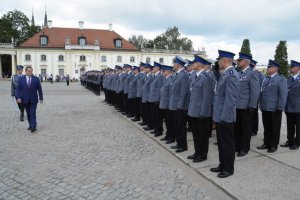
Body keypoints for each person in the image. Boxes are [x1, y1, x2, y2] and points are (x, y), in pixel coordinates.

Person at [210, 50, 239, 178]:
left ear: (225, 60)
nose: (218, 62)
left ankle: (228, 169)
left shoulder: (232, 75)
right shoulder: (225, 74)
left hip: (225, 116)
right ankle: (222, 165)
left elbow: (231, 99)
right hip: (220, 115)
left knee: (227, 144)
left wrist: (224, 117)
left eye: (219, 60)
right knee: (221, 143)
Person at [187, 55, 215, 163]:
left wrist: (203, 113)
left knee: (202, 135)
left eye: (193, 63)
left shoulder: (207, 77)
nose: (191, 65)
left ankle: (203, 155)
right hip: (193, 111)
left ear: (199, 65)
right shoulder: (195, 76)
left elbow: (207, 97)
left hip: (201, 113)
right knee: (196, 134)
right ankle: (197, 152)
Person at [257, 59, 288, 153]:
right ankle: (266, 143)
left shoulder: (281, 79)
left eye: (269, 67)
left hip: (275, 108)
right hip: (265, 107)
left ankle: (274, 145)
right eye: (268, 67)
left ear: (276, 68)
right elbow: (262, 93)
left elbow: (283, 95)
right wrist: (260, 104)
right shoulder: (266, 79)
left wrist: (280, 108)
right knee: (267, 127)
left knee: (275, 128)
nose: (268, 68)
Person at [234, 53, 260, 157]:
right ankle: (237, 145)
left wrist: (252, 105)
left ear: (246, 62)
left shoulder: (252, 73)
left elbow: (255, 91)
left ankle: (244, 148)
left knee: (246, 128)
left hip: (246, 106)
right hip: (237, 105)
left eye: (240, 60)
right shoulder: (240, 73)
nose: (238, 62)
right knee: (237, 128)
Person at [169, 56, 190, 153]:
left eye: (174, 63)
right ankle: (178, 143)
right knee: (176, 125)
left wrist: (180, 106)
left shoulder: (184, 75)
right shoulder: (178, 74)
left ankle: (183, 145)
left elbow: (184, 92)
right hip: (175, 105)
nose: (173, 65)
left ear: (178, 64)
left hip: (180, 106)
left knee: (181, 127)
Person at [16, 66, 44, 133]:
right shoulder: (21, 79)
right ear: (26, 71)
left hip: (34, 99)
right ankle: (31, 124)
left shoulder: (36, 79)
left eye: (31, 71)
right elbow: (18, 89)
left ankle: (33, 126)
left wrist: (41, 98)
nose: (30, 72)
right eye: (29, 71)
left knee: (32, 113)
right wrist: (18, 97)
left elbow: (39, 89)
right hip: (25, 99)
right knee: (28, 113)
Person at [281, 60, 300, 150]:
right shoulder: (289, 79)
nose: (290, 68)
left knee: (299, 126)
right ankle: (290, 141)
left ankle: (297, 142)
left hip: (298, 107)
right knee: (290, 125)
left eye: (292, 67)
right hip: (289, 106)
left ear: (297, 68)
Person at [159, 65, 175, 144]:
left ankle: (171, 137)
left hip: (169, 104)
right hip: (165, 104)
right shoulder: (166, 79)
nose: (162, 72)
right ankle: (168, 135)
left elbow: (171, 94)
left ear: (168, 71)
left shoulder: (171, 79)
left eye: (164, 71)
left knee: (170, 122)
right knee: (167, 121)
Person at [148, 62, 165, 137]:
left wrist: (158, 99)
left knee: (158, 116)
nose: (153, 68)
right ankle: (155, 129)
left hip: (156, 99)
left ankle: (159, 130)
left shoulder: (160, 76)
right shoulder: (155, 76)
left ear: (158, 68)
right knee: (154, 115)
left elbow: (160, 89)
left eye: (154, 67)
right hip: (152, 98)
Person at [250, 59, 264, 136]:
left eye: (252, 65)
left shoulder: (258, 73)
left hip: (255, 96)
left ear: (254, 65)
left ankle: (254, 130)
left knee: (254, 114)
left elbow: (262, 83)